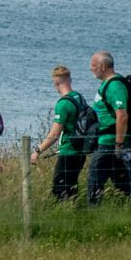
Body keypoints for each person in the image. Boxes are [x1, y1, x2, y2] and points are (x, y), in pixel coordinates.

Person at [85, 51, 131, 205]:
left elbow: (122, 115)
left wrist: (119, 144)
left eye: (93, 66)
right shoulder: (107, 84)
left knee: (94, 178)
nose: (91, 69)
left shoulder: (115, 86)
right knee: (123, 181)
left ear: (102, 66)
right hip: (109, 140)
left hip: (110, 142)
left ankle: (91, 213)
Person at [31, 65, 93, 203]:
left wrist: (37, 151)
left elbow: (54, 134)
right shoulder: (79, 97)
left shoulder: (63, 104)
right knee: (72, 186)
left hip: (69, 151)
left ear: (55, 82)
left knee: (59, 189)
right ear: (70, 79)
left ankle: (69, 213)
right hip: (81, 150)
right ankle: (74, 210)